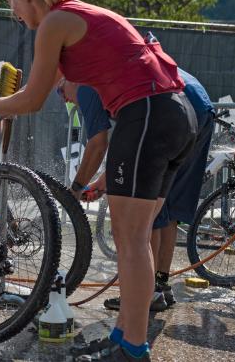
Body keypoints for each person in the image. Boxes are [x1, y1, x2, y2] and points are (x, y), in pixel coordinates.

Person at [0, 0, 197, 361]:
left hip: (146, 113)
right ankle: (125, 335)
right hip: (171, 113)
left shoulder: (54, 23)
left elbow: (34, 98)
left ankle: (132, 347)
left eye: (13, 5)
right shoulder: (76, 15)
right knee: (137, 239)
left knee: (131, 241)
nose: (15, 15)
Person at [95, 68, 215, 312]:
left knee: (149, 206)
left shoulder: (100, 75)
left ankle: (146, 292)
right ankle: (161, 285)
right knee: (167, 207)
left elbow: (117, 137)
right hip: (198, 107)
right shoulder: (138, 57)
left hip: (175, 108)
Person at [55, 78, 110, 202]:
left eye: (61, 91)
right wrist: (102, 182)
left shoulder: (84, 87)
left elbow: (98, 145)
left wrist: (76, 189)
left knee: (126, 219)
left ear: (71, 79)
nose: (64, 99)